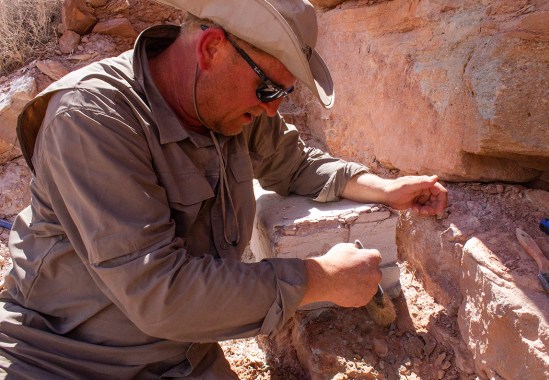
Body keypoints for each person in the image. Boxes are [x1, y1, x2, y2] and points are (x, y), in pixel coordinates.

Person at [0, 0, 448, 378]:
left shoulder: (222, 104)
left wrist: (384, 189)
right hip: (62, 360)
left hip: (181, 355)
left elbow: (295, 164)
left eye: (284, 94)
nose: (272, 109)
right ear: (212, 48)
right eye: (269, 87)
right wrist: (317, 279)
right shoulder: (90, 120)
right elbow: (162, 293)